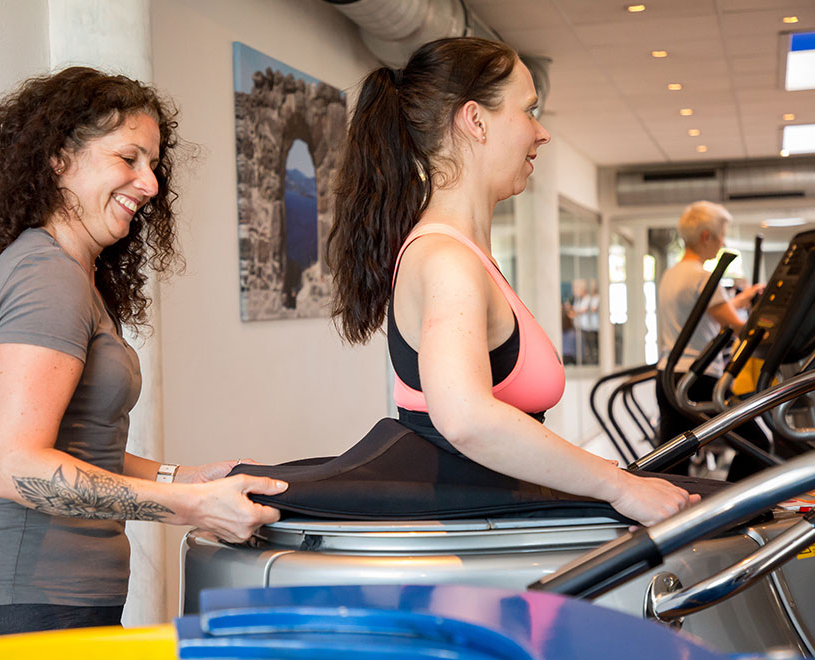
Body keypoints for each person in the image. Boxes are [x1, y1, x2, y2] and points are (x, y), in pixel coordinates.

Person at [0, 67, 287, 641]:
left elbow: (79, 450)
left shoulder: (72, 274)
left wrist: (187, 480)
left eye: (153, 164)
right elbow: (16, 467)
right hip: (24, 611)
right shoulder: (48, 276)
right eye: (129, 159)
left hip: (61, 606)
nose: (149, 184)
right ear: (59, 159)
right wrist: (189, 507)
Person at [326, 37, 698, 528]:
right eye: (529, 111)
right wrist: (617, 484)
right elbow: (466, 418)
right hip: (478, 528)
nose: (542, 133)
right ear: (476, 121)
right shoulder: (447, 260)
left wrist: (601, 474)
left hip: (495, 512)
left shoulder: (461, 253)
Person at [655, 200, 766, 479]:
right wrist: (767, 326)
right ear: (707, 236)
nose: (722, 242)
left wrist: (739, 300)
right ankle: (734, 501)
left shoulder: (672, 273)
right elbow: (737, 327)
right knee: (757, 445)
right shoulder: (703, 277)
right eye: (721, 236)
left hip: (668, 377)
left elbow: (702, 314)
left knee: (672, 460)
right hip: (698, 379)